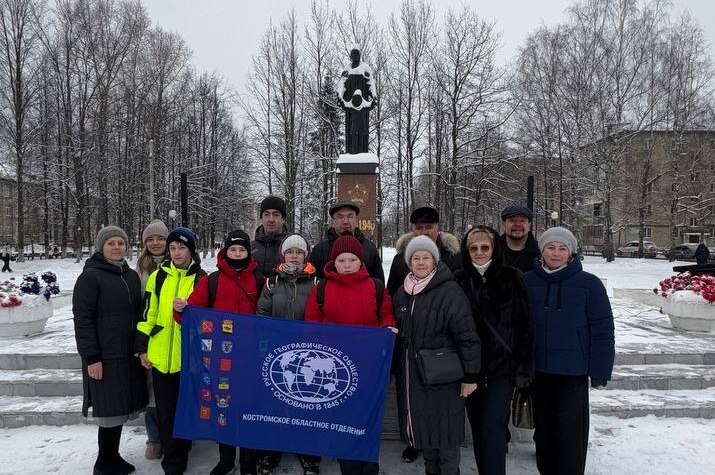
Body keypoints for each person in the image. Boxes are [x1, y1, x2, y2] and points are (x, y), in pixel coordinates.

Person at [523, 227, 615, 475]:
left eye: (562, 248)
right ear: (542, 251)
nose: (556, 253)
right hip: (539, 372)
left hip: (572, 373)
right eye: (551, 247)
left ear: (571, 253)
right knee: (544, 435)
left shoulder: (589, 285)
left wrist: (599, 370)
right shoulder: (527, 281)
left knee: (570, 437)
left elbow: (602, 330)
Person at [305, 235, 395, 475]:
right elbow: (312, 325)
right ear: (334, 262)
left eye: (352, 259)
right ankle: (349, 466)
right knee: (343, 422)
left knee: (367, 418)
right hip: (335, 372)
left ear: (360, 261)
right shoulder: (322, 288)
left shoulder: (376, 287)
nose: (347, 264)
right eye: (342, 259)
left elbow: (386, 315)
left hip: (368, 368)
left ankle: (370, 465)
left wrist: (388, 327)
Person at [392, 235, 481, 475]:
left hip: (443, 377)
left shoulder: (450, 290)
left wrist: (470, 376)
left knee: (446, 436)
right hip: (414, 376)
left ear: (435, 260)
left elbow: (467, 335)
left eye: (426, 257)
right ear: (409, 262)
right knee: (425, 433)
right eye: (416, 258)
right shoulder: (402, 292)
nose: (421, 262)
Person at [454, 226, 534, 475]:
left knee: (493, 427)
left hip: (502, 369)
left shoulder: (512, 276)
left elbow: (525, 325)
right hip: (470, 371)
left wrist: (524, 368)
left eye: (484, 247)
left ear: (494, 249)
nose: (479, 252)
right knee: (478, 428)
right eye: (473, 248)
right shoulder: (458, 279)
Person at [186, 229, 264, 475]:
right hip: (221, 359)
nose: (238, 254)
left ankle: (248, 463)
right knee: (224, 409)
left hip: (251, 358)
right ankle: (226, 460)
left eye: (242, 250)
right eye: (233, 249)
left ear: (248, 253)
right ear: (225, 252)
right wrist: (180, 309)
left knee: (250, 410)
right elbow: (190, 312)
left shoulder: (260, 279)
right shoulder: (212, 280)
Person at [386, 206, 461, 463]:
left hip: (441, 340)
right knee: (411, 398)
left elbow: (457, 298)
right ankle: (414, 442)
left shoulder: (452, 254)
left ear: (438, 228)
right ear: (412, 229)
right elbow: (394, 294)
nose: (424, 232)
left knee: (437, 403)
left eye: (429, 227)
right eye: (418, 227)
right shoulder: (400, 258)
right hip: (410, 335)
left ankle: (442, 450)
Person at [73, 225, 148, 475]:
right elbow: (82, 319)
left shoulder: (130, 275)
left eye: (121, 243)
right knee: (108, 412)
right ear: (101, 247)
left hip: (126, 354)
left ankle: (111, 457)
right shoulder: (90, 277)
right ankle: (104, 462)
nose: (117, 247)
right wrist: (91, 358)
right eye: (111, 243)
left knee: (118, 409)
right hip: (104, 356)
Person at [135, 227, 206, 475]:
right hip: (161, 355)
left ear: (191, 250)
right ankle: (172, 462)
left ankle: (182, 449)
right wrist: (142, 347)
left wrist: (189, 308)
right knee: (164, 411)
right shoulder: (158, 277)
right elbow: (148, 314)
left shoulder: (201, 278)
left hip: (187, 358)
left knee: (184, 408)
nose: (176, 252)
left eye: (182, 248)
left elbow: (205, 319)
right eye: (173, 247)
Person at [256, 233, 320, 475]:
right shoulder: (272, 282)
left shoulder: (316, 283)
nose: (295, 256)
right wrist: (264, 349)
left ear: (306, 255)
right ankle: (273, 451)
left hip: (307, 356)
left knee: (306, 403)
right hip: (277, 354)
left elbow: (322, 317)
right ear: (284, 254)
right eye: (290, 252)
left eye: (299, 252)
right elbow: (261, 315)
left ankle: (308, 452)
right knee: (275, 404)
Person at [135, 219, 170, 461]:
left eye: (160, 238)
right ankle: (155, 438)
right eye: (150, 239)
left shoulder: (177, 261)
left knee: (171, 390)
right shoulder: (140, 270)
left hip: (172, 337)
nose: (155, 243)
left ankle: (174, 437)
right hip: (150, 335)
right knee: (152, 392)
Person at [309, 201, 384, 281]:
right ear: (332, 222)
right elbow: (312, 283)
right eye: (340, 217)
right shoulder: (320, 250)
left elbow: (378, 284)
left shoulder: (369, 248)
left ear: (356, 221)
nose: (345, 221)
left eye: (350, 216)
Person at [337, 48, 377, 154]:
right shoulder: (347, 70)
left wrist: (374, 96)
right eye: (353, 54)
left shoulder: (365, 69)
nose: (355, 56)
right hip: (350, 102)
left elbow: (370, 84)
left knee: (363, 131)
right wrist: (340, 96)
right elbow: (342, 84)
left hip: (363, 102)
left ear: (359, 56)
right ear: (350, 56)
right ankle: (351, 152)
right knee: (351, 130)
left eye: (356, 54)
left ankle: (363, 153)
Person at [252, 196, 289, 277]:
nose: (271, 219)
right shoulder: (249, 249)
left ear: (283, 218)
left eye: (276, 214)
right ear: (261, 218)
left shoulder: (293, 249)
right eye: (266, 214)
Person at [500, 205, 540, 272]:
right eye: (512, 220)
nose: (517, 224)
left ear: (529, 225)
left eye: (522, 221)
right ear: (504, 224)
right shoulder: (491, 251)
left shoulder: (541, 253)